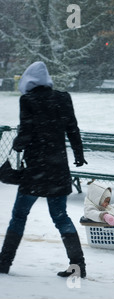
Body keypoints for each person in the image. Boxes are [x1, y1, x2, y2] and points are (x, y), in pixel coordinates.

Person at [0, 61, 88, 278]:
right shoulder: (63, 98)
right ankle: (78, 265)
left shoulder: (28, 100)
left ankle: (4, 262)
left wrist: (18, 144)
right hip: (58, 168)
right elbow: (72, 128)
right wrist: (79, 155)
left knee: (19, 215)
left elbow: (28, 131)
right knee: (61, 217)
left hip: (36, 170)